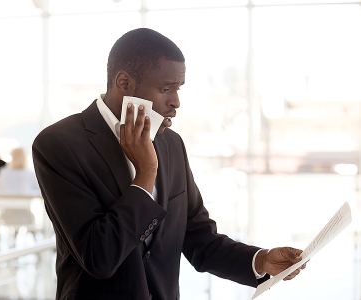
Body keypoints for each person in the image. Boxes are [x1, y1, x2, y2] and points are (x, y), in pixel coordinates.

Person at [32, 28, 307, 300]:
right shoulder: (59, 145)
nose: (176, 102)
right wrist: (146, 173)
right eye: (166, 88)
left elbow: (200, 239)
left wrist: (262, 260)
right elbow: (99, 257)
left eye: (178, 88)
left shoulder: (171, 143)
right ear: (124, 83)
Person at [0, 148, 40, 233]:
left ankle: (14, 243)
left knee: (17, 215)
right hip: (25, 215)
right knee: (25, 217)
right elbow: (39, 191)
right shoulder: (29, 174)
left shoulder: (3, 173)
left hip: (7, 215)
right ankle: (36, 243)